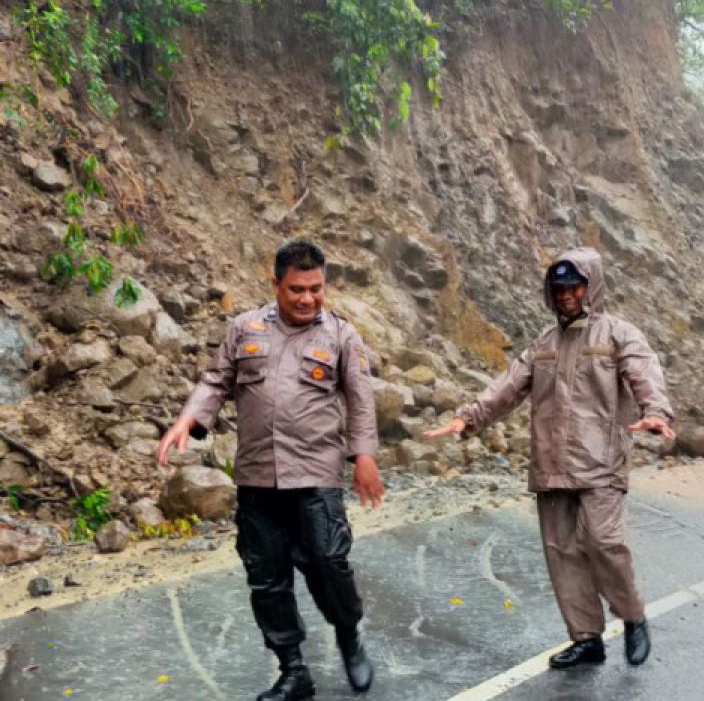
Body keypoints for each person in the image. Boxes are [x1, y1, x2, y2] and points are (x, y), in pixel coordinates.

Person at [423, 247, 675, 670]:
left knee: (605, 543)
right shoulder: (543, 343)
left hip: (602, 463)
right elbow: (506, 388)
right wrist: (467, 419)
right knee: (562, 552)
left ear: (591, 286)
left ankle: (632, 618)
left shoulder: (618, 334)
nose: (566, 295)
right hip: (551, 463)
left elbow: (644, 373)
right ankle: (586, 639)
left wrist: (656, 413)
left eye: (574, 286)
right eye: (558, 288)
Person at [156, 240, 383, 701]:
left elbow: (361, 399)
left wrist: (364, 457)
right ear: (275, 283)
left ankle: (347, 633)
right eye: (297, 289)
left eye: (316, 289)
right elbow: (216, 380)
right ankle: (293, 669)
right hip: (257, 476)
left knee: (327, 561)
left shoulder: (341, 335)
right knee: (267, 576)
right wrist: (189, 418)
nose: (307, 299)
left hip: (316, 473)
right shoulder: (245, 328)